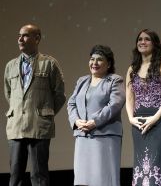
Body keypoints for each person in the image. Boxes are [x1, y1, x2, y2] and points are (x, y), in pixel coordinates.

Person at [4, 24, 66, 186]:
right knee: (15, 175)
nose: (20, 39)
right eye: (19, 35)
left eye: (25, 35)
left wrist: (45, 113)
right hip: (16, 126)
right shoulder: (10, 66)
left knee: (39, 175)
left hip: (39, 126)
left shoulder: (49, 64)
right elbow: (9, 93)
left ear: (37, 39)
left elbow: (59, 95)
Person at [67, 45, 125, 186]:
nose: (94, 63)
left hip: (105, 137)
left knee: (103, 179)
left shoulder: (114, 80)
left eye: (99, 60)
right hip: (83, 137)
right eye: (92, 59)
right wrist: (76, 122)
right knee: (83, 180)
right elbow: (71, 103)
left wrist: (95, 121)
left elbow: (115, 105)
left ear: (109, 64)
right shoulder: (82, 81)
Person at [126, 29, 161, 186]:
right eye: (140, 39)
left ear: (155, 44)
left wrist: (155, 118)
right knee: (140, 164)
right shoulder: (132, 69)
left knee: (156, 163)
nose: (142, 42)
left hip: (160, 121)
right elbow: (129, 97)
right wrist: (130, 118)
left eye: (147, 39)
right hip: (138, 122)